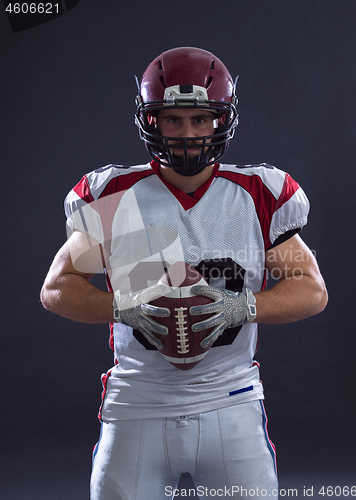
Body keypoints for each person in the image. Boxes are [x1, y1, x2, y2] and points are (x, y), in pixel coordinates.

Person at [41, 47, 328, 500]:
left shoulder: (256, 193)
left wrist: (244, 306)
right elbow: (56, 288)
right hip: (138, 400)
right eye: (173, 120)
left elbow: (311, 289)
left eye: (201, 119)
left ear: (222, 120)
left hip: (229, 399)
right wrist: (120, 306)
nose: (188, 134)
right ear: (151, 121)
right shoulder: (116, 194)